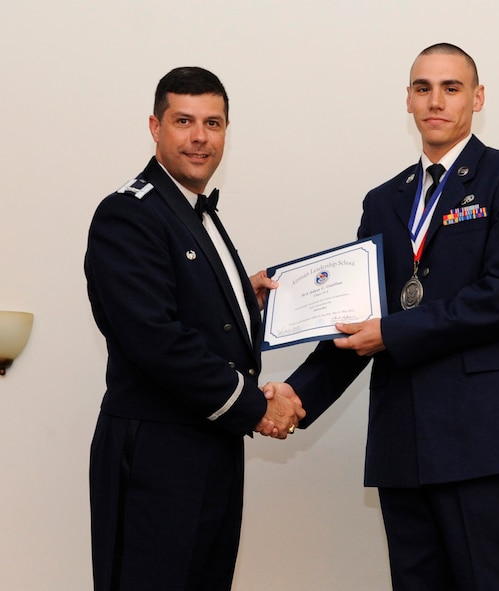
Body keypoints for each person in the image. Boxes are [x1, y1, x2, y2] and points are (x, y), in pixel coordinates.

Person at [264, 43, 499, 590]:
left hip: (479, 441)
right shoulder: (384, 200)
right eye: (423, 88)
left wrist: (392, 332)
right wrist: (298, 397)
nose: (435, 101)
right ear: (409, 101)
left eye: (451, 87)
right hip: (403, 442)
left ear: (478, 98)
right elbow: (357, 318)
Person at [84, 66, 304, 591]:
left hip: (208, 444)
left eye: (213, 122)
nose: (200, 137)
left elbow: (183, 301)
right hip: (158, 455)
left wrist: (237, 296)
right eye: (184, 121)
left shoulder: (190, 210)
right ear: (155, 127)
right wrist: (257, 407)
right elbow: (156, 338)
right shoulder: (127, 214)